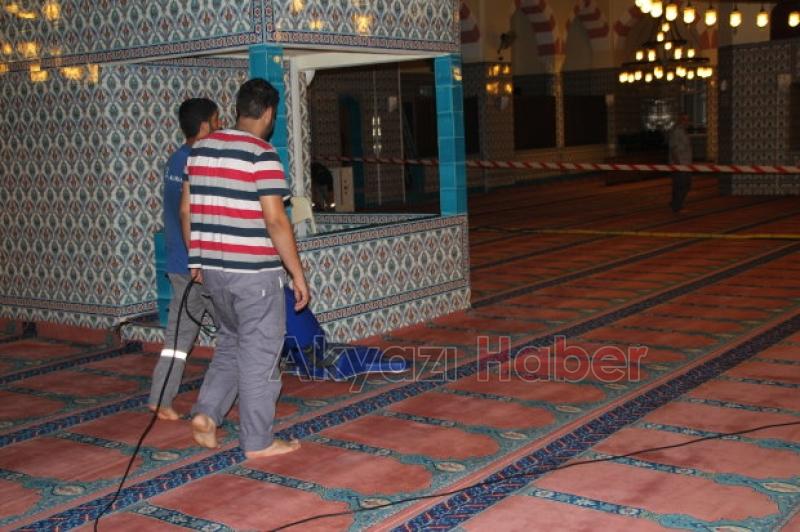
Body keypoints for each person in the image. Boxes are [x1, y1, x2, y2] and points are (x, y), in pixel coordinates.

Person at [183, 78, 310, 459]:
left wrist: (196, 258)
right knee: (260, 356)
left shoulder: (200, 149)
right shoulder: (261, 153)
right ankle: (258, 441)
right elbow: (276, 220)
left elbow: (187, 209)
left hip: (214, 274)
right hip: (254, 275)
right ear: (269, 113)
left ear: (238, 108)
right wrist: (297, 274)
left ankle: (207, 415)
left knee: (233, 343)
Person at [148, 98, 221, 421]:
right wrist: (199, 262)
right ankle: (162, 399)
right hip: (194, 268)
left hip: (187, 265)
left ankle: (162, 397)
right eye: (217, 121)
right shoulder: (192, 161)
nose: (219, 126)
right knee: (190, 335)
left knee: (185, 335)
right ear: (205, 125)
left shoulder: (178, 159)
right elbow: (188, 214)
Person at [668, 113, 693, 212]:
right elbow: (673, 149)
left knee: (684, 185)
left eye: (688, 120)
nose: (687, 122)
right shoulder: (677, 131)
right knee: (681, 185)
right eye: (684, 120)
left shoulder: (683, 131)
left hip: (686, 164)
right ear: (680, 120)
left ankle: (676, 203)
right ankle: (676, 205)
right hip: (680, 164)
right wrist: (677, 164)